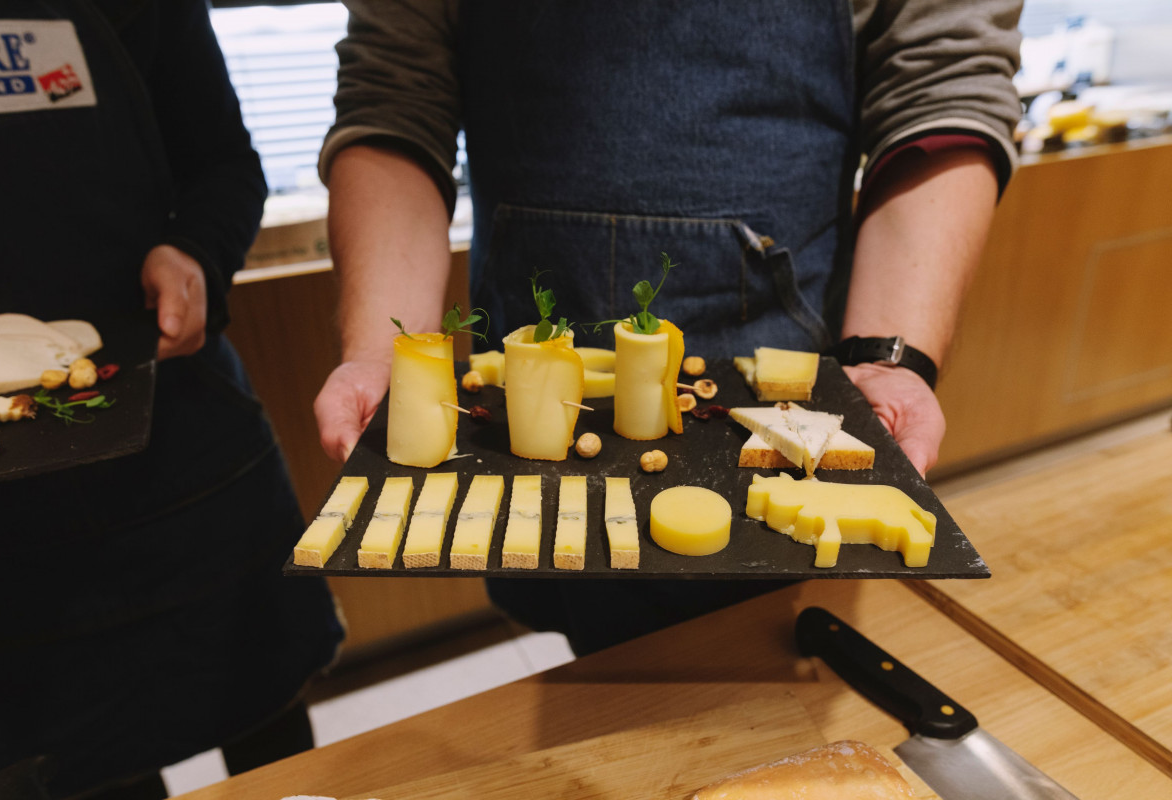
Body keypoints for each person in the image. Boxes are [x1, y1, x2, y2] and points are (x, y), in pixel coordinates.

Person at [313, 0, 1022, 655]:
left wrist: (885, 356)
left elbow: (943, 85)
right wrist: (382, 351)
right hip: (524, 396)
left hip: (785, 376)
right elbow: (395, 101)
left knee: (768, 662)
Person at [0, 2, 344, 799]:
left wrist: (194, 252)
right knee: (87, 765)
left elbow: (225, 164)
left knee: (268, 729)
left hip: (181, 441)